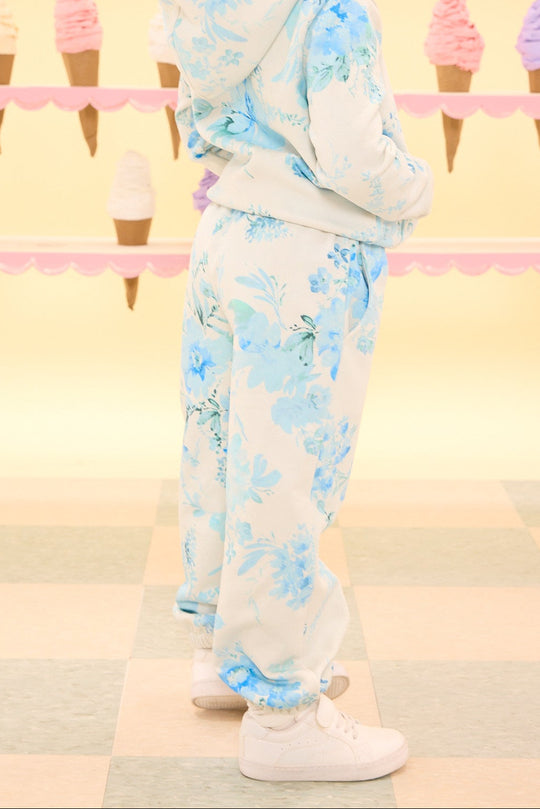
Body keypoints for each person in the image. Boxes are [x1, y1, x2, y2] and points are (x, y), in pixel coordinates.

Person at [160, 0, 433, 782]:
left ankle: (221, 655)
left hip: (226, 234)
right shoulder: (332, 13)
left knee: (220, 451)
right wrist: (419, 187)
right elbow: (354, 159)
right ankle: (282, 711)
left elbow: (196, 122)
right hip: (304, 260)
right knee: (287, 475)